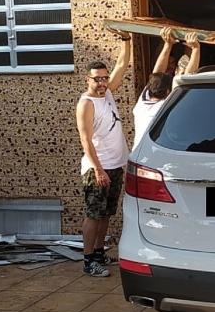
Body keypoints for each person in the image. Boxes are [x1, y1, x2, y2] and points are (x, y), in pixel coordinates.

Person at [74, 30, 132, 277]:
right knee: (94, 214)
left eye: (105, 78)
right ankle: (88, 261)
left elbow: (122, 65)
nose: (102, 83)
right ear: (88, 79)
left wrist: (126, 41)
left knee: (106, 213)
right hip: (97, 169)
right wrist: (98, 169)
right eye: (97, 79)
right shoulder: (86, 103)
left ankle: (99, 253)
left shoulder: (107, 93)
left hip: (115, 166)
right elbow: (85, 139)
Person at [132, 27, 201, 148]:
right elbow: (188, 78)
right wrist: (196, 49)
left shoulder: (143, 102)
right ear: (168, 92)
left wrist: (167, 44)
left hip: (139, 153)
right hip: (155, 156)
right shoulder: (165, 106)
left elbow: (157, 72)